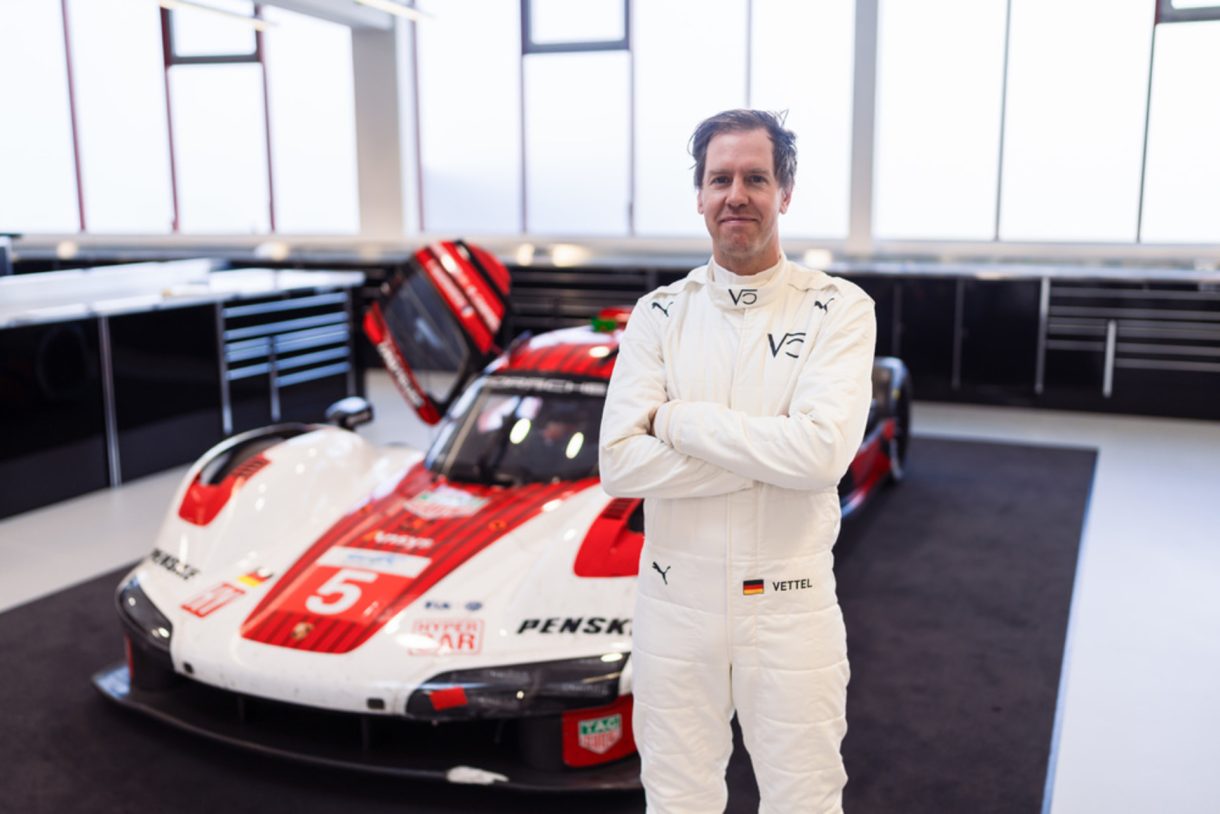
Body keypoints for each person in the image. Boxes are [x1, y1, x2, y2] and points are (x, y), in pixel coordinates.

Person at [598, 109, 876, 813]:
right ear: (699, 194)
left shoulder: (839, 309)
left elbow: (820, 456)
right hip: (673, 607)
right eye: (720, 179)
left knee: (804, 799)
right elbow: (620, 464)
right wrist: (774, 454)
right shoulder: (659, 314)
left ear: (785, 192)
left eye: (756, 178)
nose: (736, 195)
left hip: (790, 605)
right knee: (676, 799)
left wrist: (676, 421)